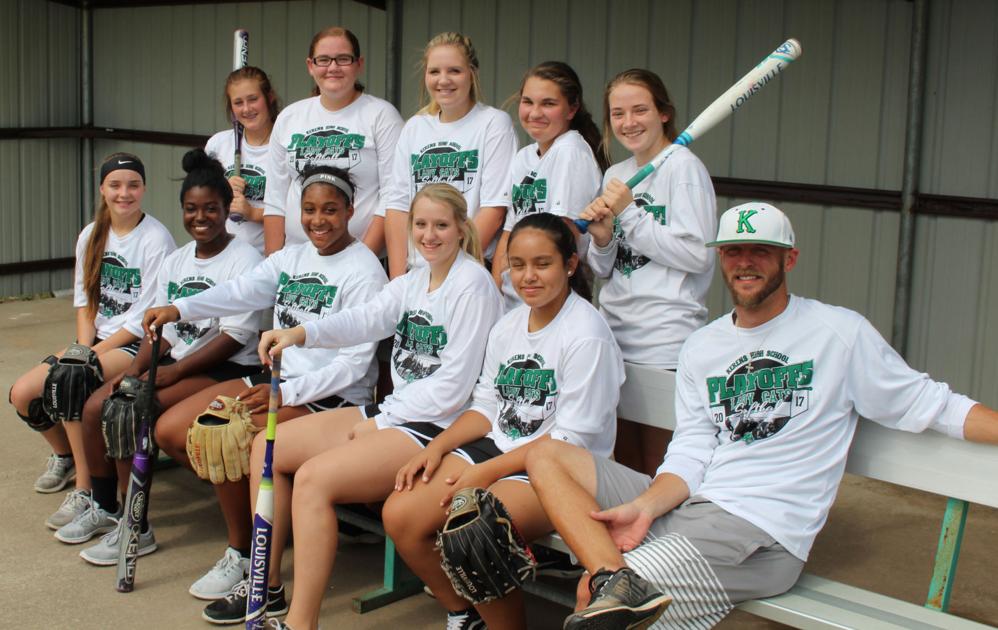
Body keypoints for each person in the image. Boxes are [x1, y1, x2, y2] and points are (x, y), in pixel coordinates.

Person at [525, 203, 998, 629]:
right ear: (720, 259)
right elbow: (691, 450)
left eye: (760, 251)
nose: (745, 262)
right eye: (733, 252)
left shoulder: (838, 334)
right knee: (548, 456)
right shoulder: (703, 346)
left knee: (596, 601)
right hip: (694, 507)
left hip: (761, 535)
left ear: (788, 259)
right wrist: (646, 506)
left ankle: (612, 585)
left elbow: (935, 404)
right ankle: (615, 578)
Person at [242, 183, 502, 629]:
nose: (429, 234)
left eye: (441, 225)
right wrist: (299, 334)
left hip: (437, 429)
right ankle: (266, 585)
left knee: (313, 481)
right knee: (271, 447)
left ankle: (301, 623)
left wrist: (382, 421)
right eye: (420, 224)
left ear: (461, 228)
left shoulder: (473, 284)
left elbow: (454, 388)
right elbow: (364, 319)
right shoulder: (414, 280)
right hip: (398, 414)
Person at [143, 165, 386, 601]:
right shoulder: (292, 256)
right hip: (278, 379)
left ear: (351, 210)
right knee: (174, 431)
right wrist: (179, 309)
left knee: (226, 432)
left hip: (326, 396)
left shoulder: (364, 271)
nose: (318, 220)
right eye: (310, 209)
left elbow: (354, 366)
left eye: (331, 209)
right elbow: (240, 291)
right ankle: (266, 525)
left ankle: (246, 551)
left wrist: (285, 393)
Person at [380, 212, 624, 630]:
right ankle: (466, 615)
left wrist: (485, 473)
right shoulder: (509, 325)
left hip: (560, 468)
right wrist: (436, 448)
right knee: (400, 514)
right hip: (502, 449)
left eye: (542, 264)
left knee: (473, 531)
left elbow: (568, 440)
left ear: (569, 265)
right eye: (517, 264)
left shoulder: (587, 333)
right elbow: (486, 406)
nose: (527, 276)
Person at [60, 149, 263, 560]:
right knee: (104, 402)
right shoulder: (178, 260)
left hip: (222, 364)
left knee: (130, 409)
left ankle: (139, 527)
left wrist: (169, 375)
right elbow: (159, 328)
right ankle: (106, 508)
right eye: (191, 209)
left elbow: (233, 338)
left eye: (211, 208)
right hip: (177, 359)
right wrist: (137, 370)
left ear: (227, 210)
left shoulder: (245, 260)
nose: (200, 218)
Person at [8, 153, 174, 525]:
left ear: (144, 189)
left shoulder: (156, 239)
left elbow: (143, 320)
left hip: (135, 342)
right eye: (115, 185)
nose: (124, 193)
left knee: (72, 378)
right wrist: (83, 349)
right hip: (98, 339)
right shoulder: (92, 233)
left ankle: (85, 490)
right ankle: (66, 456)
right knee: (22, 394)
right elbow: (86, 303)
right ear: (102, 189)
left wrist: (88, 358)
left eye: (133, 185)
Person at [579, 69, 717, 476]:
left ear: (664, 114)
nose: (629, 122)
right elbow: (606, 268)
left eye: (640, 110)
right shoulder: (615, 175)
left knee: (663, 467)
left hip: (665, 340)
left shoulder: (684, 169)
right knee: (627, 466)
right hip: (616, 334)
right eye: (618, 113)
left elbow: (698, 256)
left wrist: (630, 213)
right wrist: (603, 239)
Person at [382, 32, 518, 278]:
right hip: (416, 272)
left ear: (472, 73)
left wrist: (448, 271)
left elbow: (494, 209)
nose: (443, 80)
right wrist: (398, 279)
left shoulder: (493, 123)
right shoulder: (415, 127)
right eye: (434, 72)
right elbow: (397, 206)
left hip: (468, 268)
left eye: (454, 71)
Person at [264, 26, 403, 255]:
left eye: (343, 59)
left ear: (359, 64)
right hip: (298, 259)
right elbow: (275, 199)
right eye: (324, 60)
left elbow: (393, 197)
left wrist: (362, 260)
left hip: (361, 260)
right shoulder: (289, 117)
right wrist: (274, 263)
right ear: (311, 66)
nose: (333, 67)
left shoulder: (381, 115)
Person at [492, 61, 606, 309]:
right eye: (528, 102)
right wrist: (496, 291)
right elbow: (510, 230)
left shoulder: (570, 152)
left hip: (550, 295)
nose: (534, 113)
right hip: (517, 297)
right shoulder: (524, 157)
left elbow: (565, 232)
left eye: (548, 104)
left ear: (572, 108)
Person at [205, 66, 282, 254]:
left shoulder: (286, 145)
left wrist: (253, 213)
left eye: (253, 99)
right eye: (238, 102)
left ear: (269, 97)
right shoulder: (218, 144)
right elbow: (200, 203)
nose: (246, 109)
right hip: (223, 256)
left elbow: (300, 208)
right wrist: (220, 192)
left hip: (268, 259)